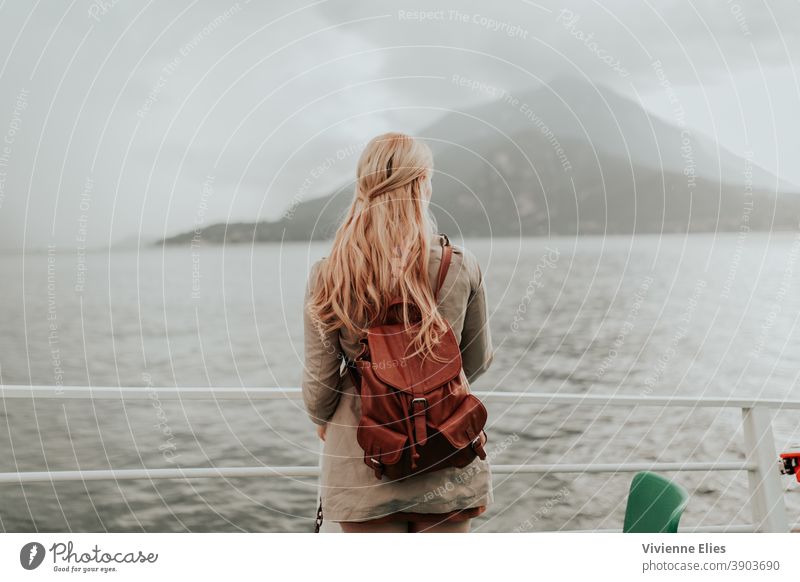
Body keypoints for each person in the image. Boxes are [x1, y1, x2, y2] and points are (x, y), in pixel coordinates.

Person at [302, 131, 494, 533]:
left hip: (362, 462)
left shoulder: (330, 273)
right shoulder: (460, 265)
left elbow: (320, 383)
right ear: (423, 183)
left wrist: (324, 418)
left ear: (364, 185)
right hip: (446, 453)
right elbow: (476, 359)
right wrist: (424, 386)